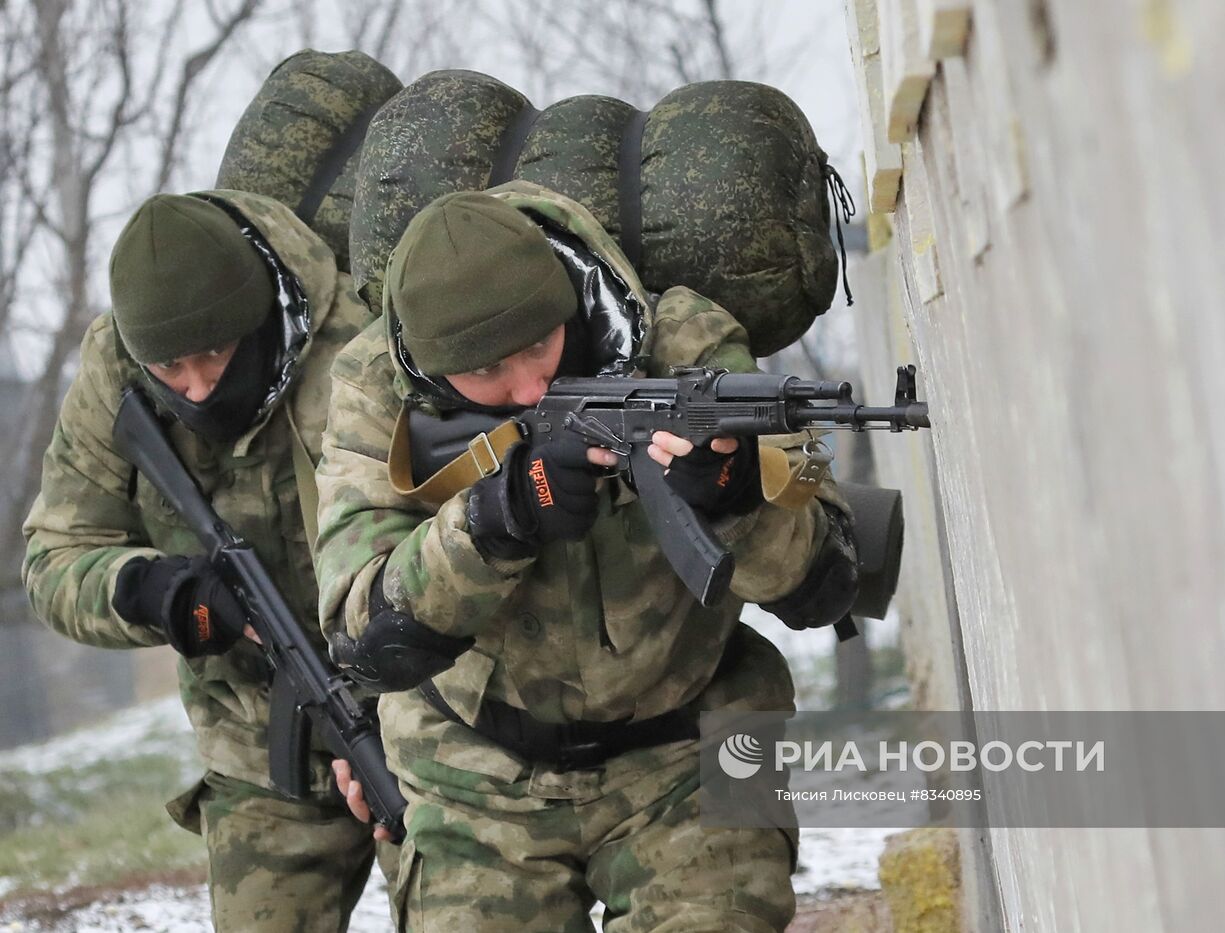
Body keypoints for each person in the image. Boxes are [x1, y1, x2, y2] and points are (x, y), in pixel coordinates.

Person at [315, 183, 860, 931]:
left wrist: (735, 497)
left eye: (539, 344)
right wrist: (497, 519)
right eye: (488, 372)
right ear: (436, 372)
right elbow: (361, 637)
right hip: (471, 776)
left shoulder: (690, 345)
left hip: (693, 752)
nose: (529, 386)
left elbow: (826, 579)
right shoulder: (376, 389)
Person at [22, 191, 387, 932]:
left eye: (215, 355)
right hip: (254, 748)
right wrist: (156, 591)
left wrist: (398, 725)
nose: (194, 387)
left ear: (256, 320)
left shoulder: (358, 346)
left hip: (409, 724)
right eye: (169, 366)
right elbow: (56, 558)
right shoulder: (117, 370)